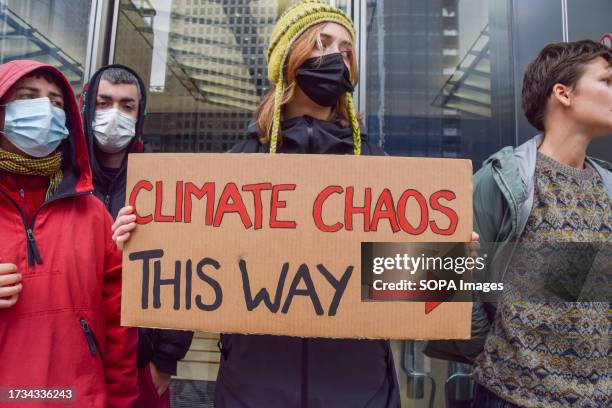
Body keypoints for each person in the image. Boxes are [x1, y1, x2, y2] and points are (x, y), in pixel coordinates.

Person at [112, 1, 478, 406]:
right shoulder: (236, 167)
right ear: (290, 56)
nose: (336, 56)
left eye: (346, 49)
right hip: (254, 390)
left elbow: (401, 285)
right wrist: (141, 234)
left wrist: (449, 261)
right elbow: (191, 269)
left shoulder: (379, 172)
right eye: (322, 42)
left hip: (359, 391)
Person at [468, 40, 611, 407]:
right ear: (563, 93)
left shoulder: (608, 186)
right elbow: (450, 279)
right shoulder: (504, 181)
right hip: (512, 397)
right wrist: (498, 354)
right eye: (607, 81)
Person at [0, 60, 138, 407]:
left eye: (56, 103)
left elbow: (120, 329)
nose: (44, 111)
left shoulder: (93, 215)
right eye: (28, 97)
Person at [80, 64, 194, 407]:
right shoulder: (62, 179)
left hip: (140, 364)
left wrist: (165, 360)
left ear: (139, 115)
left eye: (126, 106)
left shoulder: (162, 183)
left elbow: (186, 266)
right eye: (104, 103)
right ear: (86, 108)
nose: (114, 114)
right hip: (71, 358)